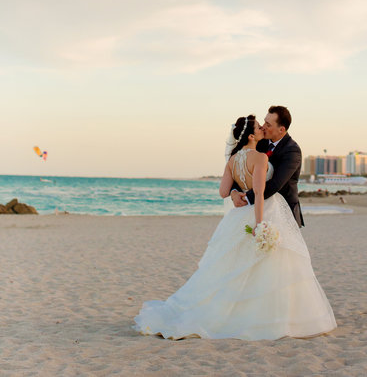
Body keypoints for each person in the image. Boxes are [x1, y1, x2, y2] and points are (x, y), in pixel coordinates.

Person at [134, 115, 336, 340]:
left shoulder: (232, 159)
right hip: (264, 211)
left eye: (266, 125)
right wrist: (260, 226)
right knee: (264, 265)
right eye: (260, 127)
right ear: (251, 135)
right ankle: (262, 317)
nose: (263, 128)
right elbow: (260, 193)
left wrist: (233, 193)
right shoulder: (259, 157)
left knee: (239, 265)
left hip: (239, 216)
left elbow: (222, 192)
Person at [229, 106, 304, 227]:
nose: (263, 126)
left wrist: (246, 199)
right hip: (257, 208)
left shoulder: (292, 151)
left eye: (268, 125)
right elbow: (239, 168)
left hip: (283, 213)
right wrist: (234, 192)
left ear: (281, 129)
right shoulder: (259, 142)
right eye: (264, 121)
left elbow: (275, 184)